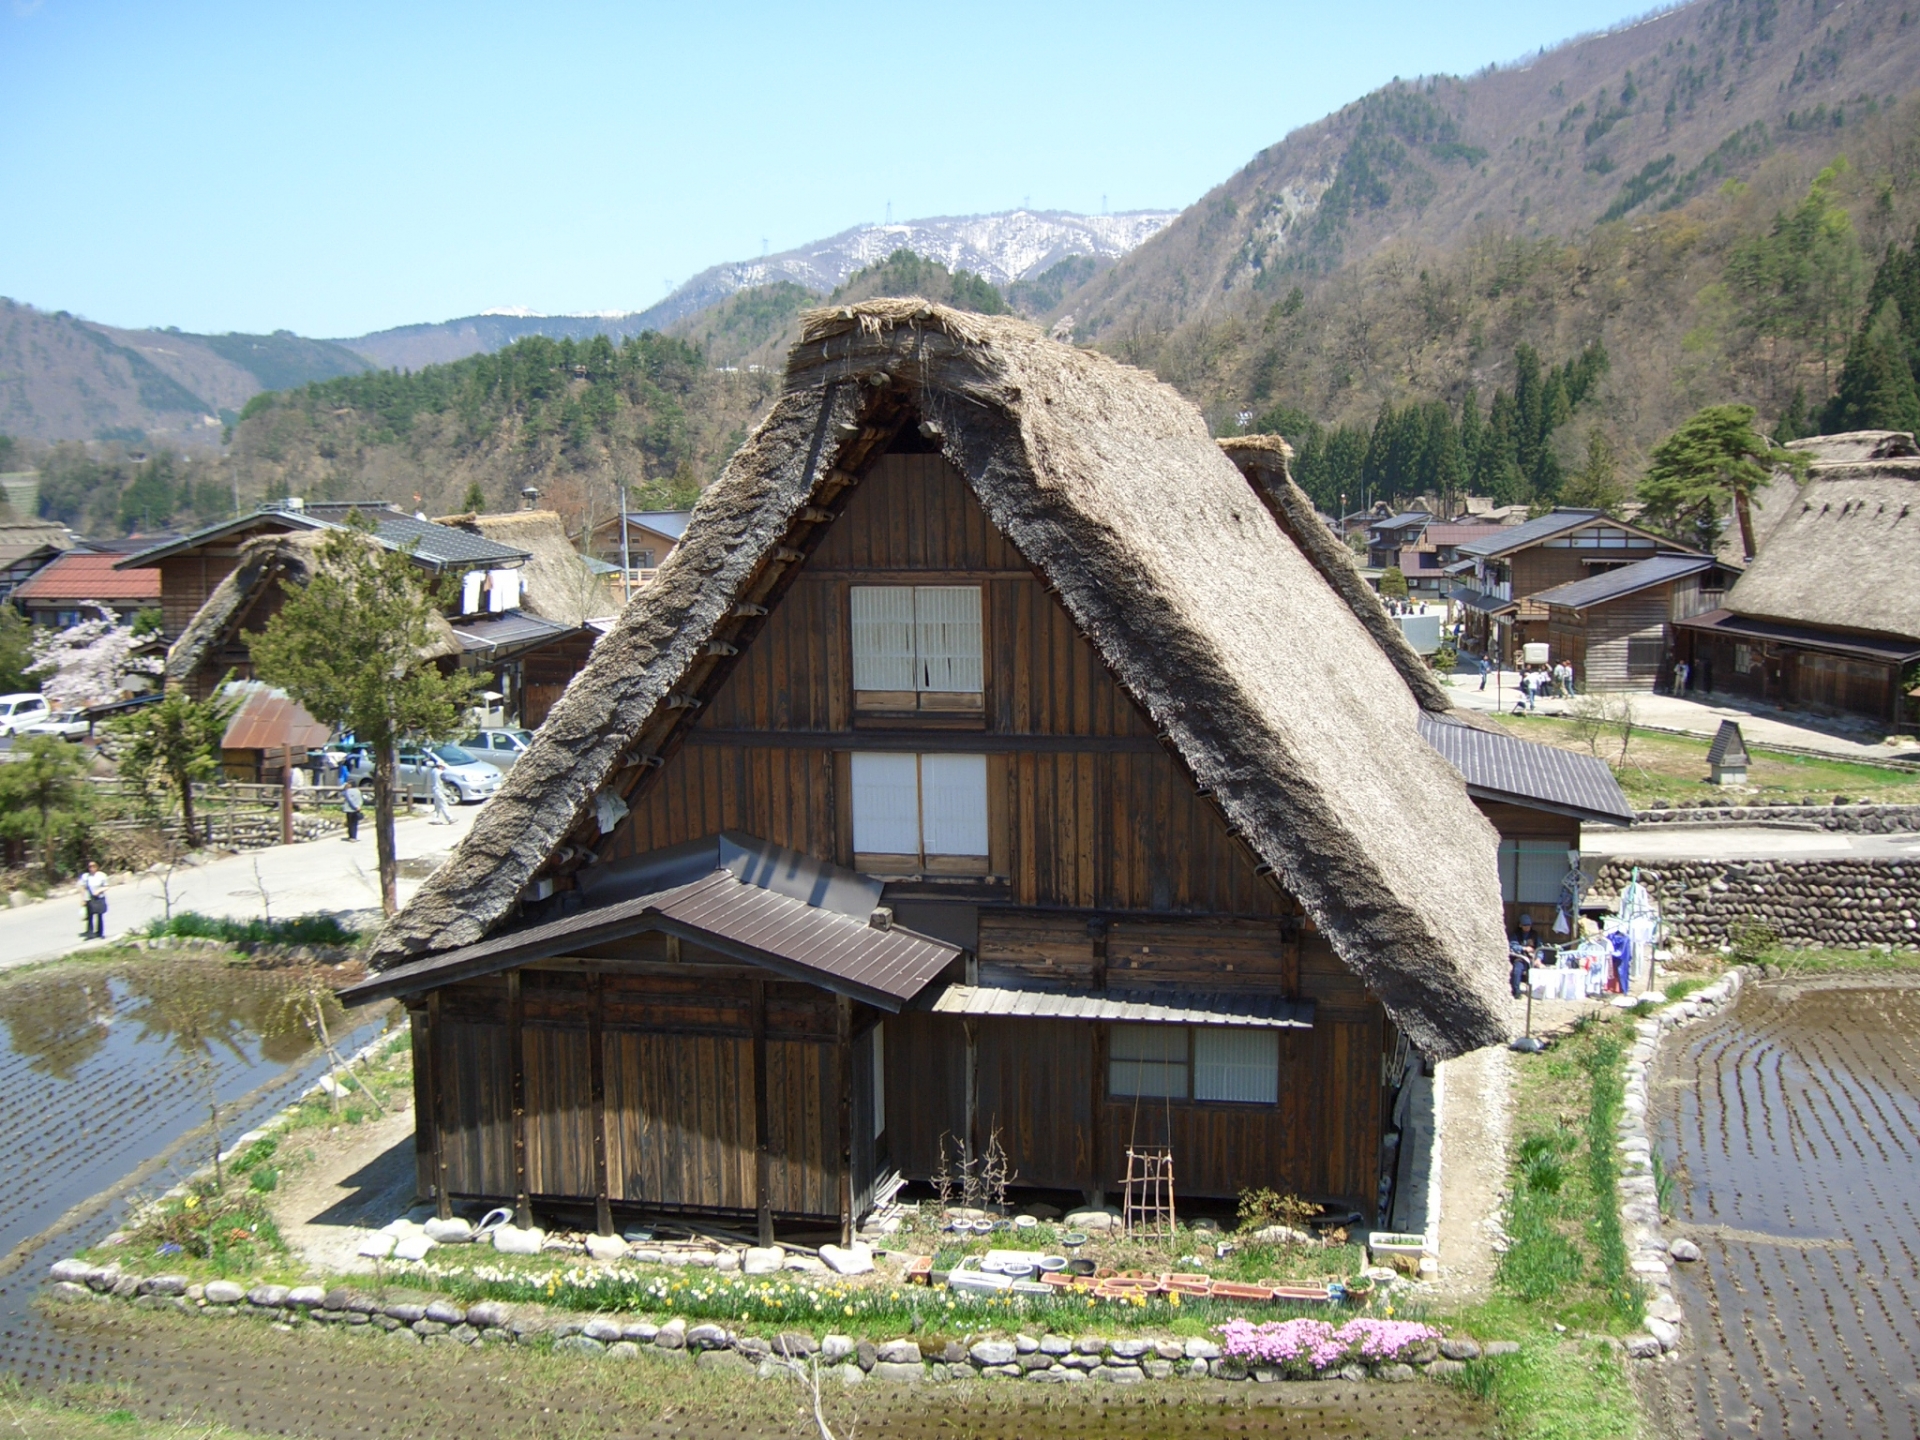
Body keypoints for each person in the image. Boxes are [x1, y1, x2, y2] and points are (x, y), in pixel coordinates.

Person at [1510, 913, 1539, 999]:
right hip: (1520, 958)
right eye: (1525, 925)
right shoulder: (1516, 935)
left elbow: (1540, 947)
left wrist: (1539, 958)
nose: (1527, 927)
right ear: (1520, 925)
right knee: (1516, 971)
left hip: (1532, 958)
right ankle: (1516, 992)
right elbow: (1512, 945)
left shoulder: (1535, 935)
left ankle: (1535, 993)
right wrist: (1524, 948)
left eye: (1528, 925)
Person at [80, 861, 108, 940]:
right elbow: (82, 888)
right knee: (90, 916)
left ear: (96, 867)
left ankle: (100, 933)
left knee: (99, 915)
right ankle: (90, 933)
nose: (92, 868)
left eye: (93, 866)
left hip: (99, 897)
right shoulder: (85, 876)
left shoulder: (102, 875)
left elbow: (107, 886)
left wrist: (99, 891)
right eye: (90, 866)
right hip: (90, 898)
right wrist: (82, 899)